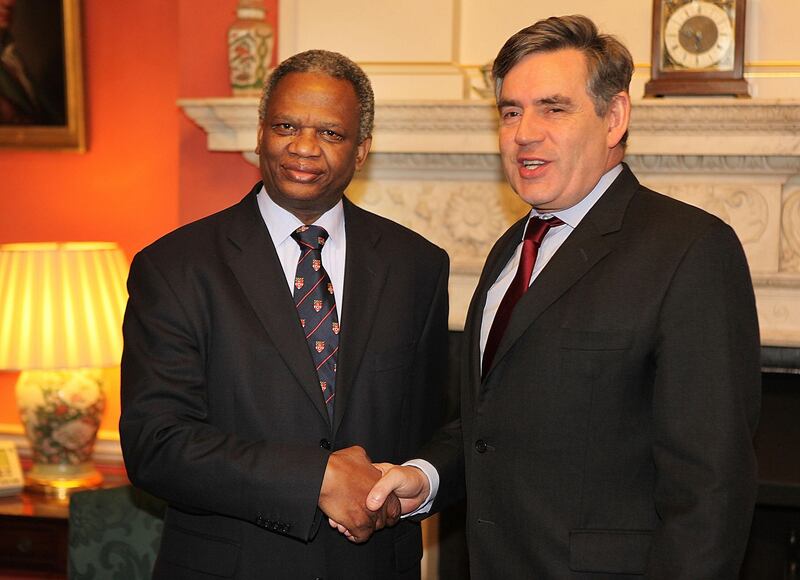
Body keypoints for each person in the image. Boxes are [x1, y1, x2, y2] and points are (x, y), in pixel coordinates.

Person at [356, 15, 761, 579]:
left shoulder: (690, 249)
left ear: (614, 116)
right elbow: (493, 423)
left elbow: (710, 488)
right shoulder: (511, 249)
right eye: (511, 111)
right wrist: (425, 476)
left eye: (554, 108)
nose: (525, 132)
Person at [120, 49, 449, 580]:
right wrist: (316, 477)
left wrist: (422, 479)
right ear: (260, 133)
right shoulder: (175, 266)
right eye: (286, 125)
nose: (303, 147)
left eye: (331, 133)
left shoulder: (418, 267)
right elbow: (155, 444)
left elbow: (441, 427)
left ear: (362, 150)